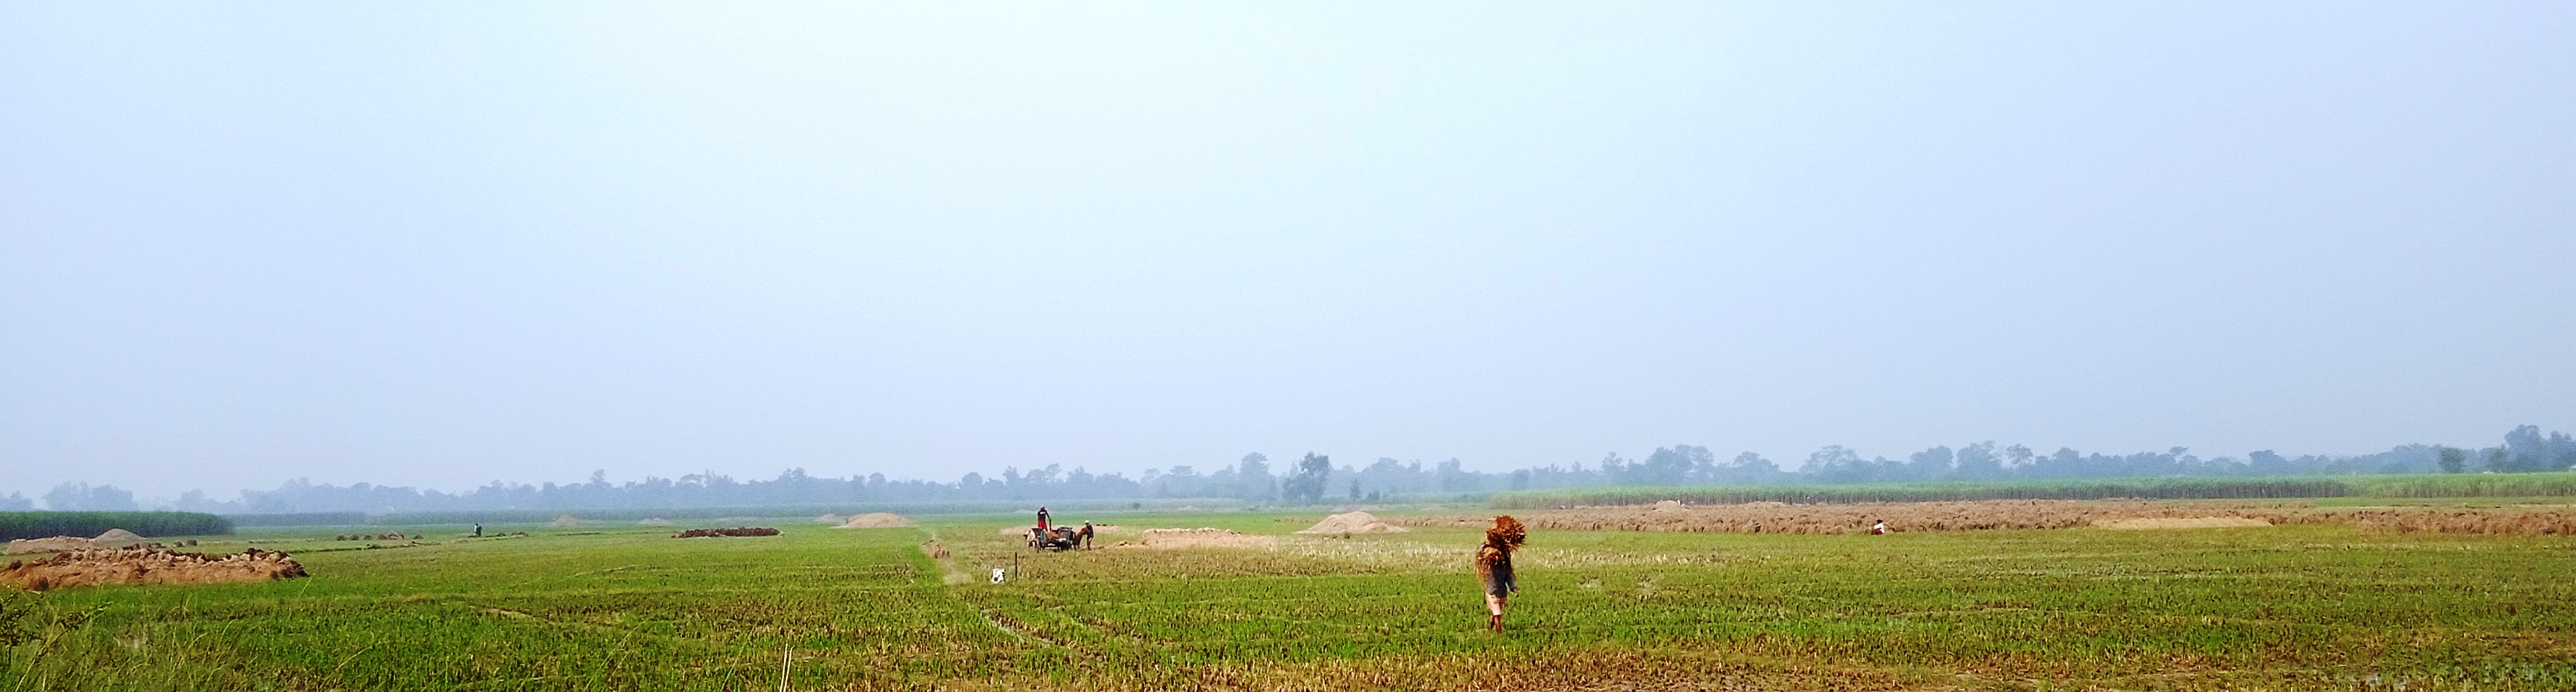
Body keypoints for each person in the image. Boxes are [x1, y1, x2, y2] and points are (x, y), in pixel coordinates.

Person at [1474, 515, 1526, 633]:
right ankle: (1500, 634)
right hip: (1492, 594)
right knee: (1497, 615)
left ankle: (1489, 628)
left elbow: (1509, 578)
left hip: (1502, 594)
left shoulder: (1504, 566)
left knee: (1496, 614)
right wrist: (1486, 544)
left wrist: (1514, 588)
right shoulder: (1490, 565)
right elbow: (1481, 554)